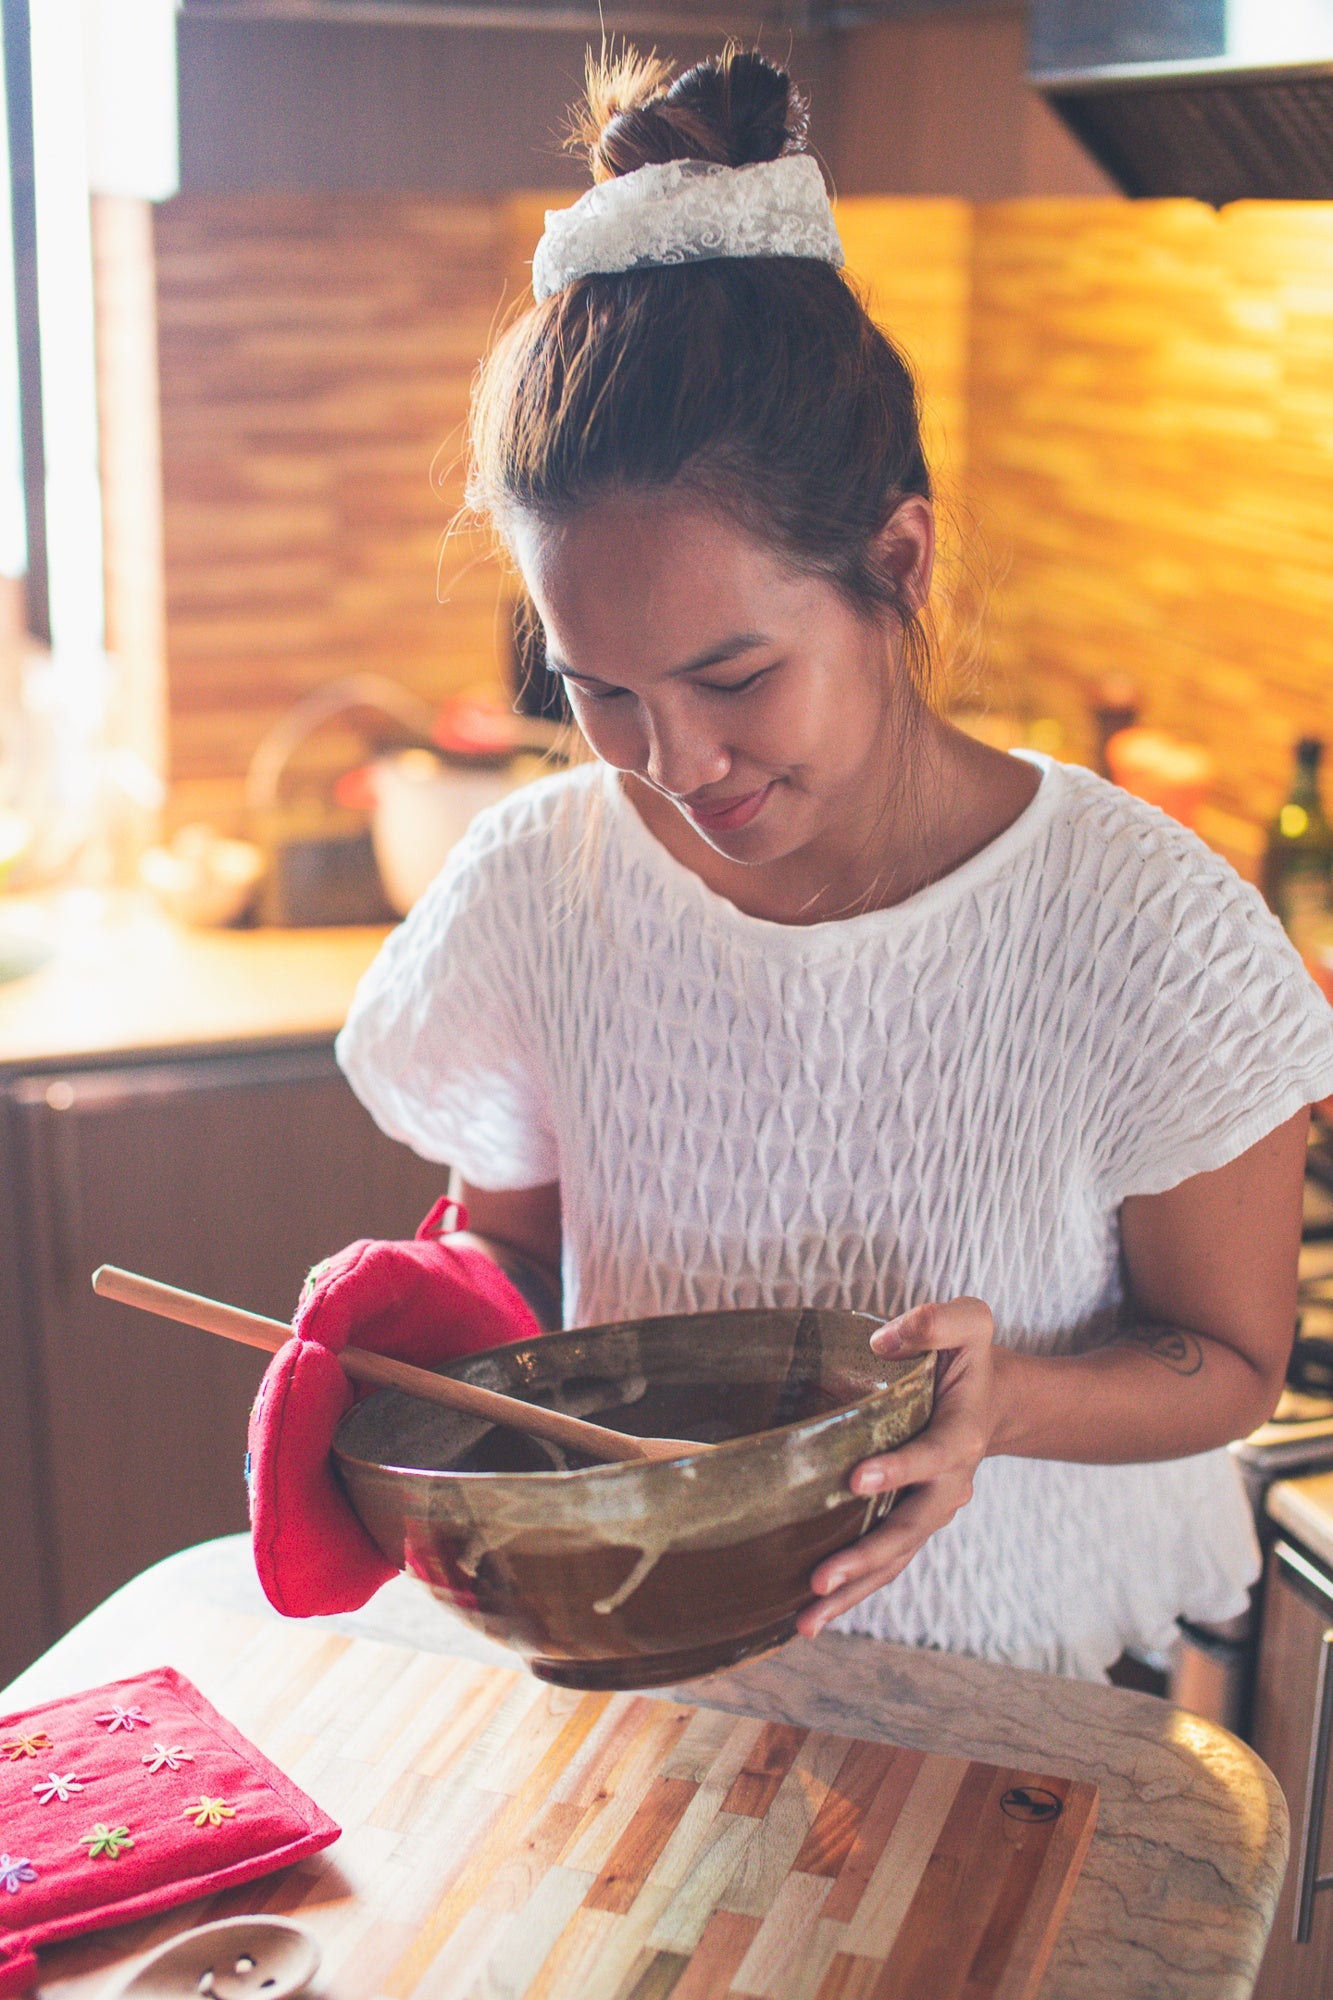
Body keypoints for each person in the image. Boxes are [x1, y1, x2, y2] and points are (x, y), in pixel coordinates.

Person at [253, 49, 1333, 1679]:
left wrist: (1007, 1403)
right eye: (598, 691)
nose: (672, 766)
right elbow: (516, 1273)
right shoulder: (541, 887)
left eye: (733, 678)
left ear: (891, 563)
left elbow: (1234, 1361)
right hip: (658, 1677)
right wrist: (409, 1319)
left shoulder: (1142, 927)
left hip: (1035, 1695)